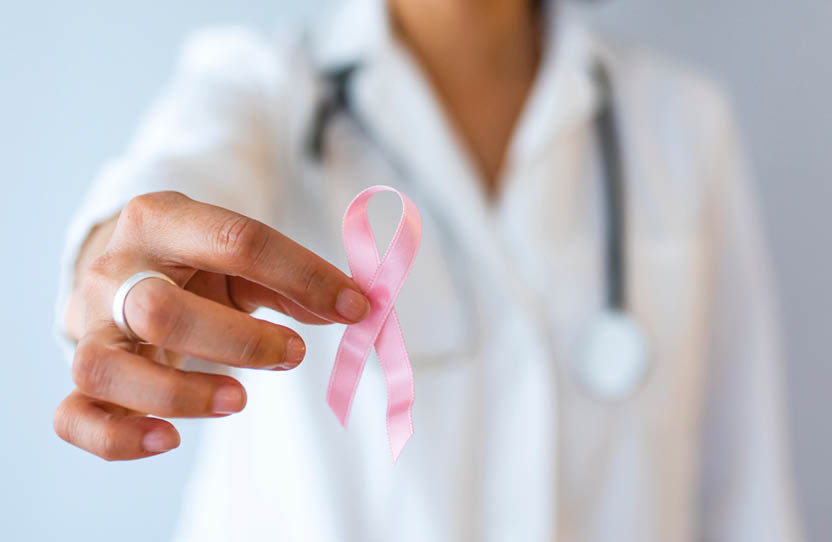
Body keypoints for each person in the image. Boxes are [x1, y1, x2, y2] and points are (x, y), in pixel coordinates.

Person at [53, 0, 803, 540]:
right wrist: (120, 279)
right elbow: (164, 188)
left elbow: (748, 497)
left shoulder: (683, 120)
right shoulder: (258, 89)